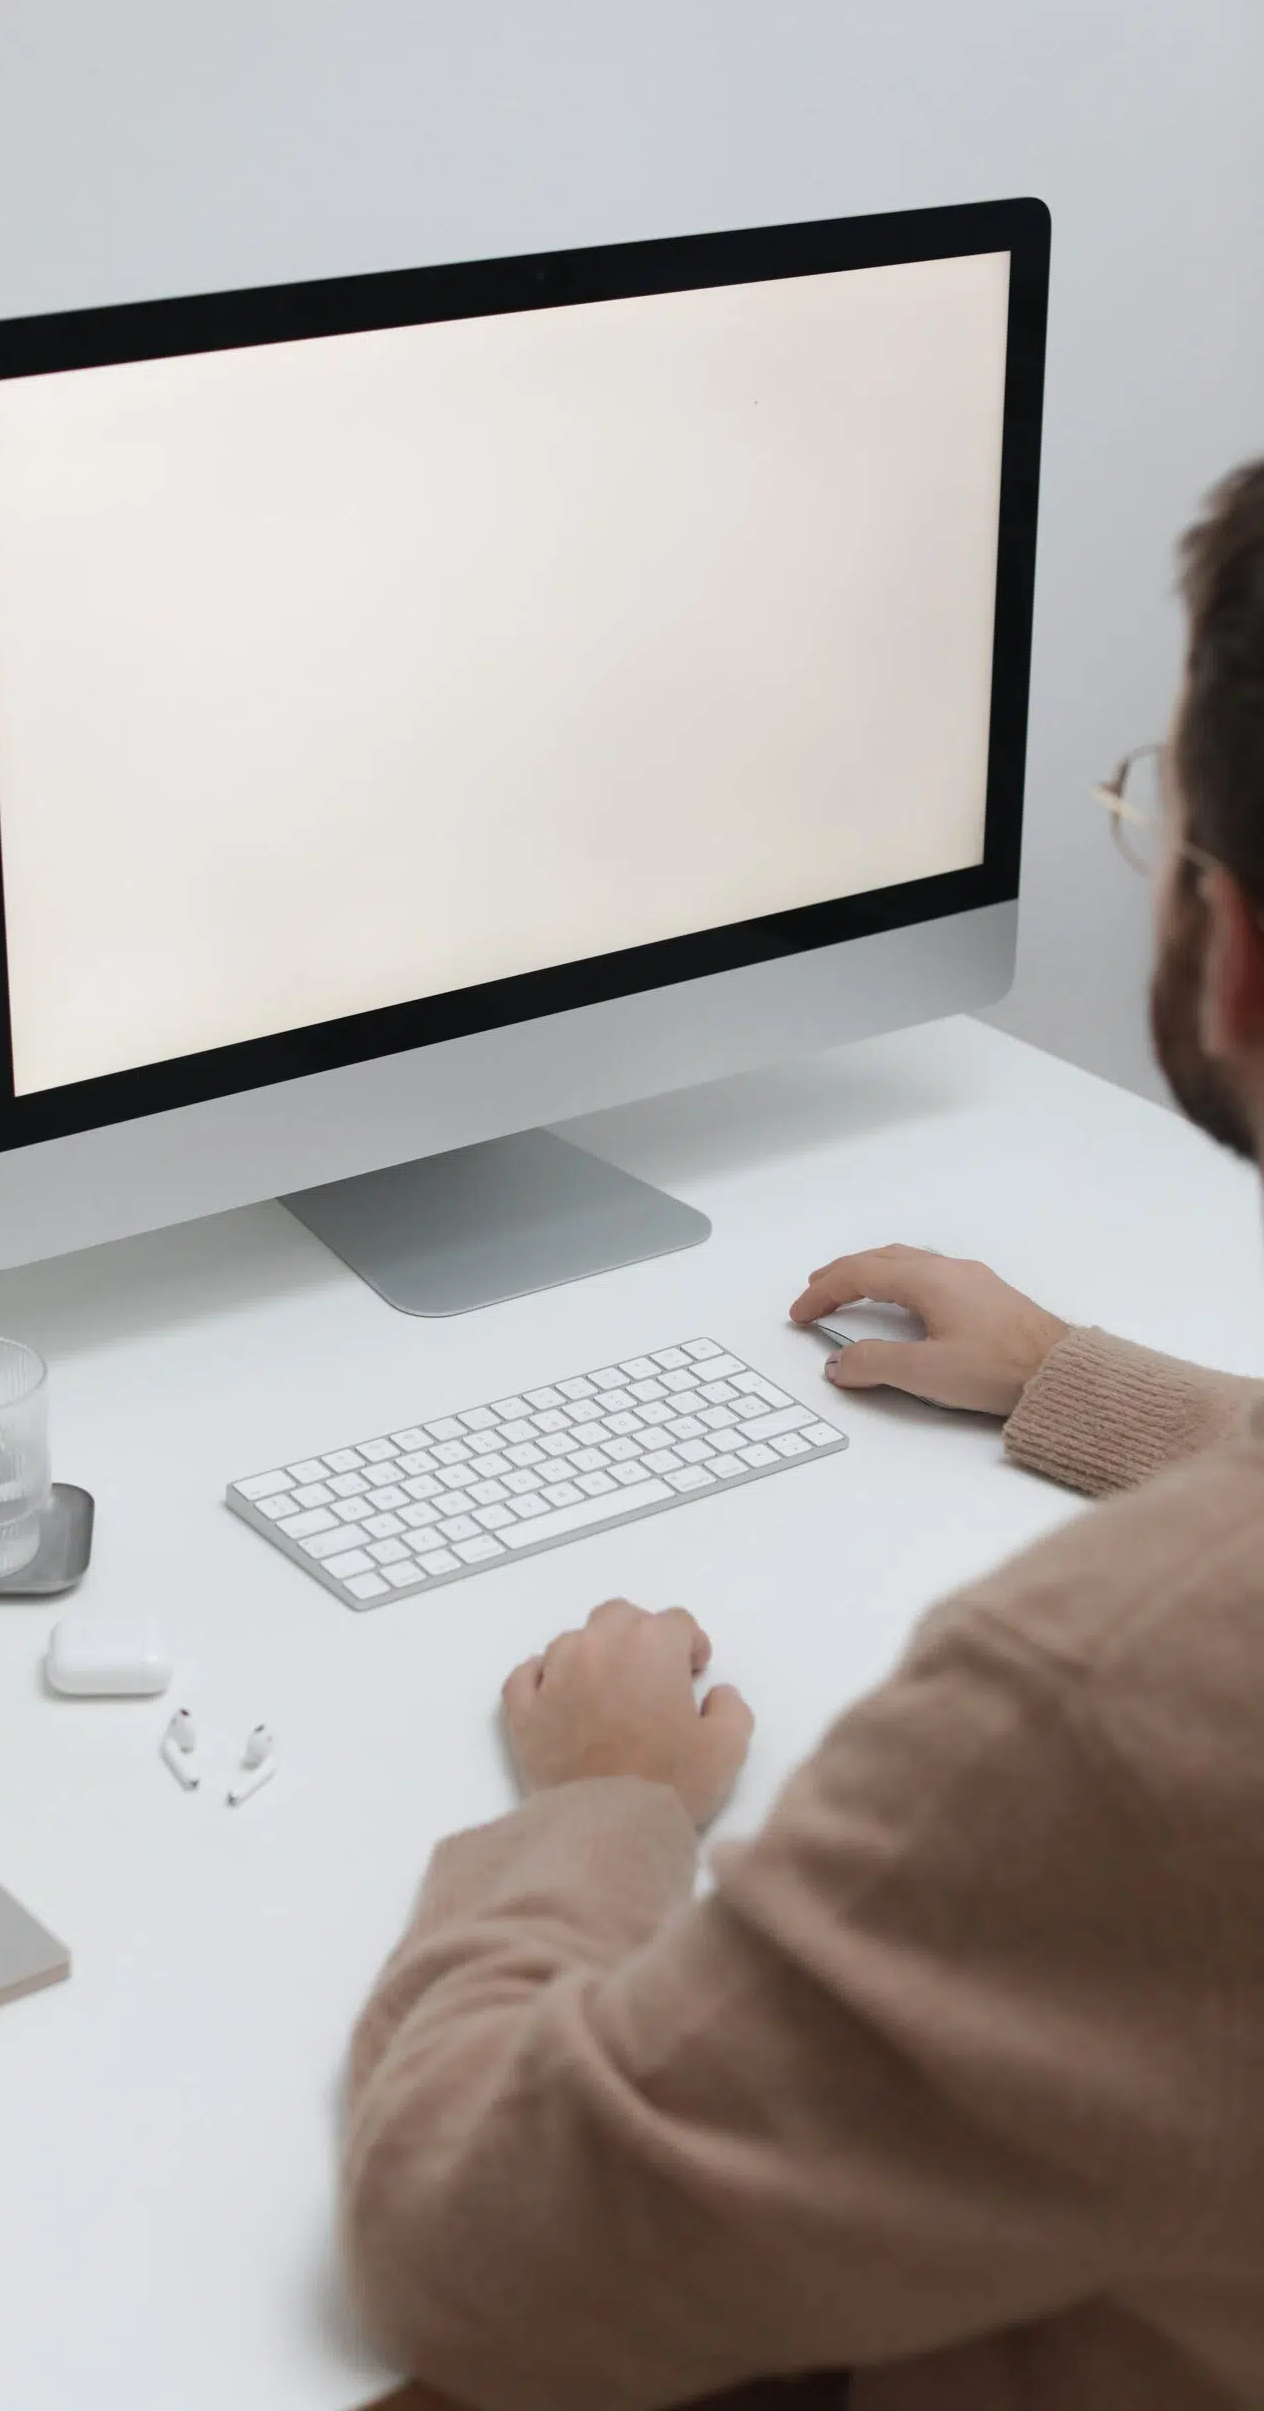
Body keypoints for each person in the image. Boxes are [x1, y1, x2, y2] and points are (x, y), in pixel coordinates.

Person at [339, 458, 1264, 2411]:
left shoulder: (1122, 1701)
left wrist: (600, 1804)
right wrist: (1072, 1377)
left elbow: (473, 2247)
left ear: (1237, 947)